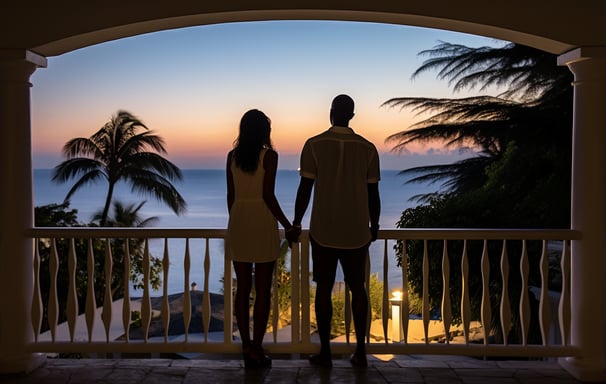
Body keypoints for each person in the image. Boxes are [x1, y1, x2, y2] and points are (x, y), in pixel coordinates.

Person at [291, 94, 381, 368]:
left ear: (331, 113)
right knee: (358, 289)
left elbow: (305, 188)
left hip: (323, 231)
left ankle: (326, 353)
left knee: (324, 289)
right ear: (352, 115)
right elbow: (373, 193)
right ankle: (362, 352)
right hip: (356, 231)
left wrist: (296, 222)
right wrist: (374, 224)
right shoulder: (368, 148)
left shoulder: (314, 145)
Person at [225, 109, 298, 368]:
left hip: (239, 222)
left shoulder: (232, 157)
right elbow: (268, 195)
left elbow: (230, 197)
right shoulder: (270, 157)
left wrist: (235, 220)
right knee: (263, 291)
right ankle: (257, 346)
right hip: (262, 222)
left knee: (242, 289)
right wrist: (288, 225)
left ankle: (246, 345)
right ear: (265, 131)